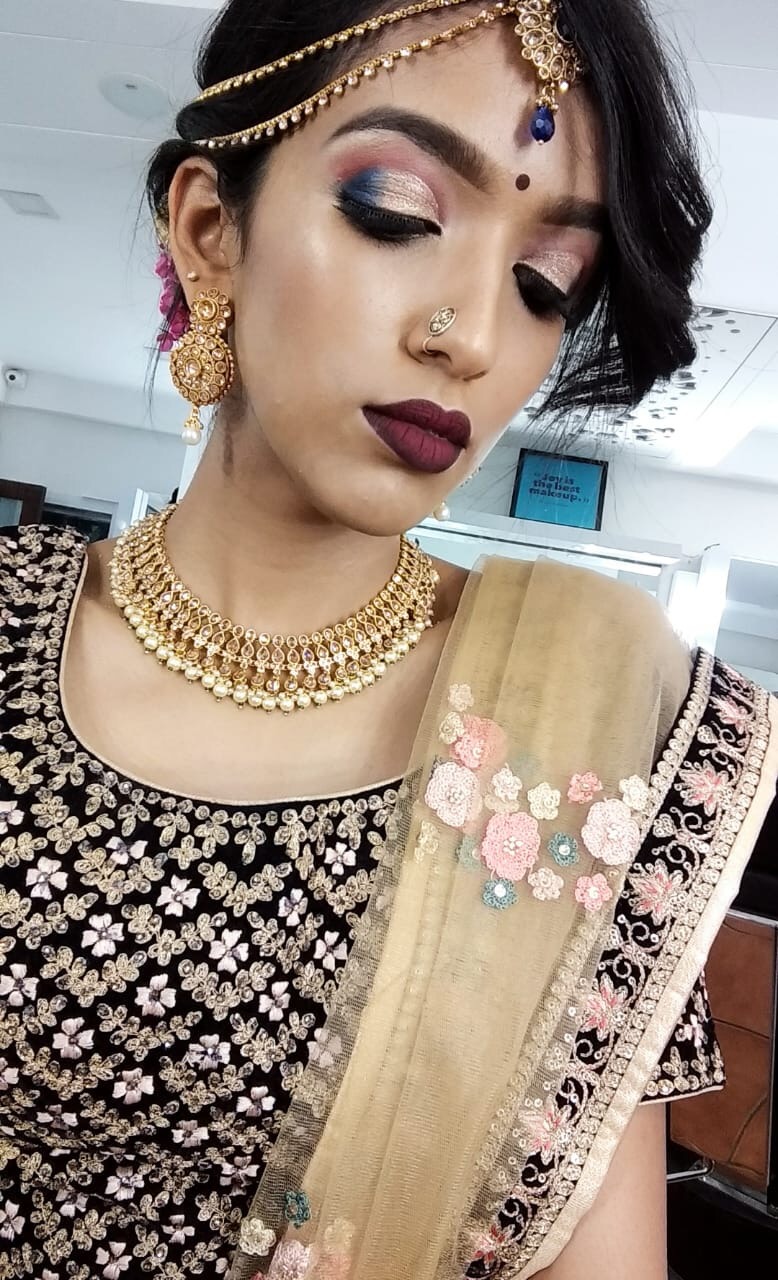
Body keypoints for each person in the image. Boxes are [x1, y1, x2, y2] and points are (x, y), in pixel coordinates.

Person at [0, 1, 775, 1278]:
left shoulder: (585, 738)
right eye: (396, 212)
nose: (472, 336)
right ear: (210, 231)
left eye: (544, 285)